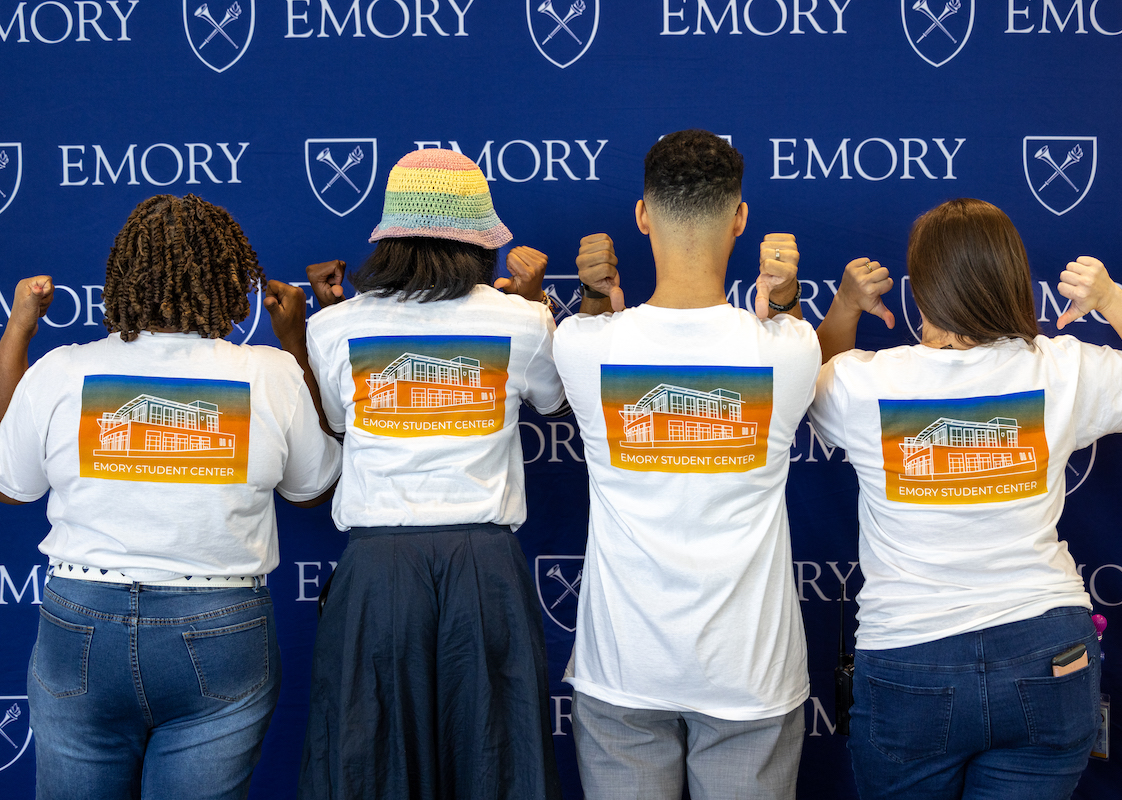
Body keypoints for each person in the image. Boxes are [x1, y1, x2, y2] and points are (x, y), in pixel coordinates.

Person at [806, 197, 1122, 800]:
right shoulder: (1059, 369)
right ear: (1013, 275)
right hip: (1048, 651)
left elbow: (812, 381)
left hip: (910, 656)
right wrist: (1114, 300)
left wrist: (843, 306)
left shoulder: (865, 382)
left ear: (921, 288)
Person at [553, 129, 889, 799]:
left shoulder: (579, 345)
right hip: (750, 673)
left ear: (643, 215)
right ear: (740, 217)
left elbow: (591, 332)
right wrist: (788, 297)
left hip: (624, 669)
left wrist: (594, 294)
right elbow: (810, 359)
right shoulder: (787, 348)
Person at [0, 193, 343, 800]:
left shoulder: (59, 370)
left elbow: (11, 486)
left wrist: (17, 331)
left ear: (121, 278)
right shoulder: (267, 371)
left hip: (80, 620)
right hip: (221, 628)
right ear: (231, 280)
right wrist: (296, 342)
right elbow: (313, 490)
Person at [298, 147, 568, 800]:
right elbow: (555, 400)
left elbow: (337, 422)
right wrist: (537, 304)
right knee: (497, 763)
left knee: (371, 762)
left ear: (391, 240)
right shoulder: (523, 321)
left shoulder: (332, 327)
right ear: (480, 245)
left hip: (376, 571)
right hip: (483, 565)